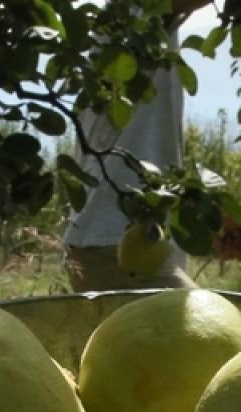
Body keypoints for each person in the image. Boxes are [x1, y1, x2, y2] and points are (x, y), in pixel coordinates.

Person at [62, 0, 212, 292]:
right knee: (219, 332)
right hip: (114, 245)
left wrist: (211, 209)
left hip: (129, 243)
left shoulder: (137, 28)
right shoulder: (133, 14)